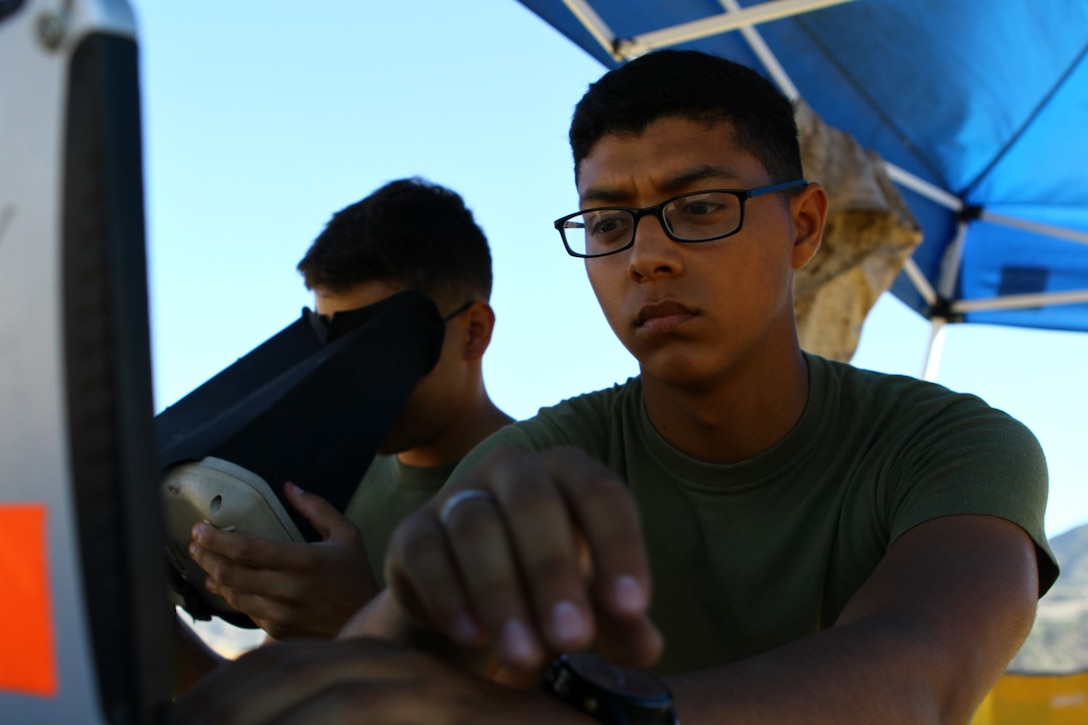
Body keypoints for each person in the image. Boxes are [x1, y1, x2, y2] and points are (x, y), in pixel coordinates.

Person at [171, 51, 1058, 724]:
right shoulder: (531, 460)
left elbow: (914, 672)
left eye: (700, 205)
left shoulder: (951, 448)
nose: (646, 255)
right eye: (606, 222)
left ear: (805, 226)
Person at [182, 177, 513, 644]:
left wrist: (358, 621)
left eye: (375, 353)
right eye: (328, 349)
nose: (344, 379)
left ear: (474, 332)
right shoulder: (326, 494)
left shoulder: (542, 484)